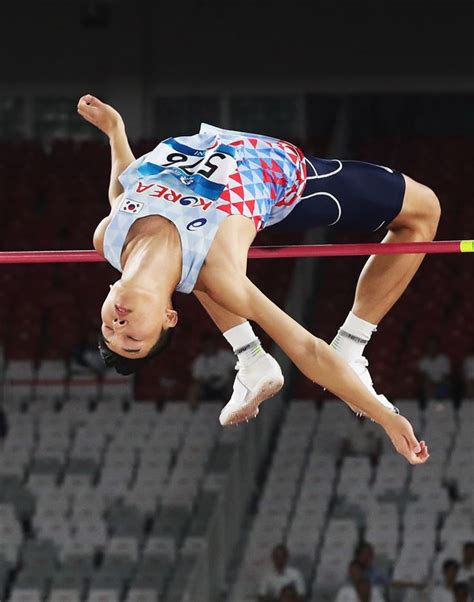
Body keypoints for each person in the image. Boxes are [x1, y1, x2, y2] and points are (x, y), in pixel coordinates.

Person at [77, 94, 436, 464]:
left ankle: (251, 358)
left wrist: (115, 132)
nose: (119, 325)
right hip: (283, 172)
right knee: (425, 210)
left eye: (109, 329)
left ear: (107, 295)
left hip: (210, 146)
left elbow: (121, 190)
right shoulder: (217, 273)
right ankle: (350, 344)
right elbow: (307, 350)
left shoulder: (108, 237)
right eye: (132, 338)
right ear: (169, 317)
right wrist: (387, 419)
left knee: (182, 271)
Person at [188, 333, 235, 405]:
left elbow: (238, 368)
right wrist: (208, 380)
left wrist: (231, 375)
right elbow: (197, 378)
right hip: (208, 386)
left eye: (210, 344)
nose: (209, 347)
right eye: (206, 345)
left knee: (232, 383)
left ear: (215, 344)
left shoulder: (226, 355)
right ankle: (193, 413)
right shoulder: (199, 360)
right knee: (194, 388)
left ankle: (233, 407)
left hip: (225, 384)